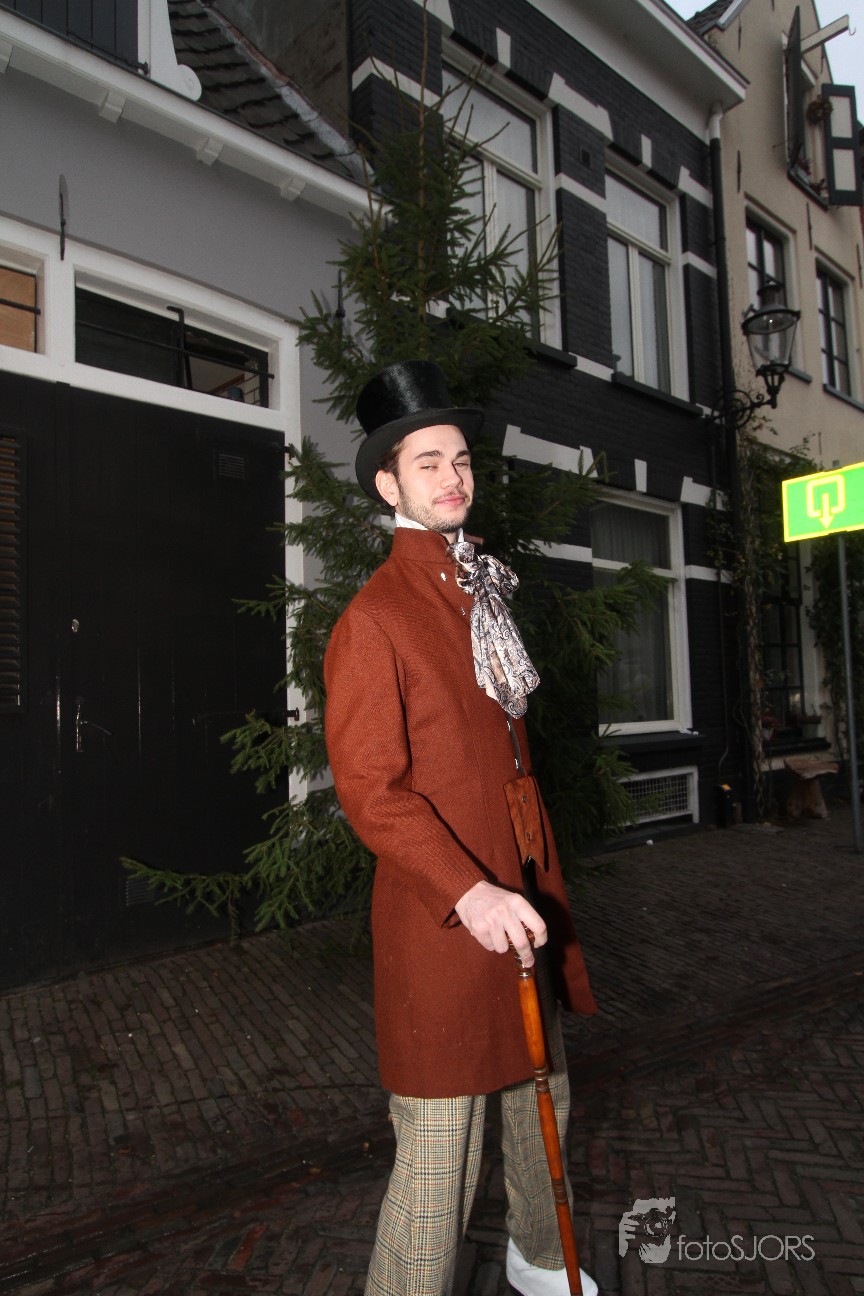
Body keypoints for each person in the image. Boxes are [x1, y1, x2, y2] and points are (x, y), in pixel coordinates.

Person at [323, 360, 598, 1296]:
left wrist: (525, 883)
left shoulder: (479, 588)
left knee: (541, 1106)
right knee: (439, 1164)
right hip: (445, 922)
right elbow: (372, 791)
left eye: (462, 460)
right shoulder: (377, 618)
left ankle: (542, 1262)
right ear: (387, 485)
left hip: (519, 907)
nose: (453, 477)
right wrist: (470, 891)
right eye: (427, 463)